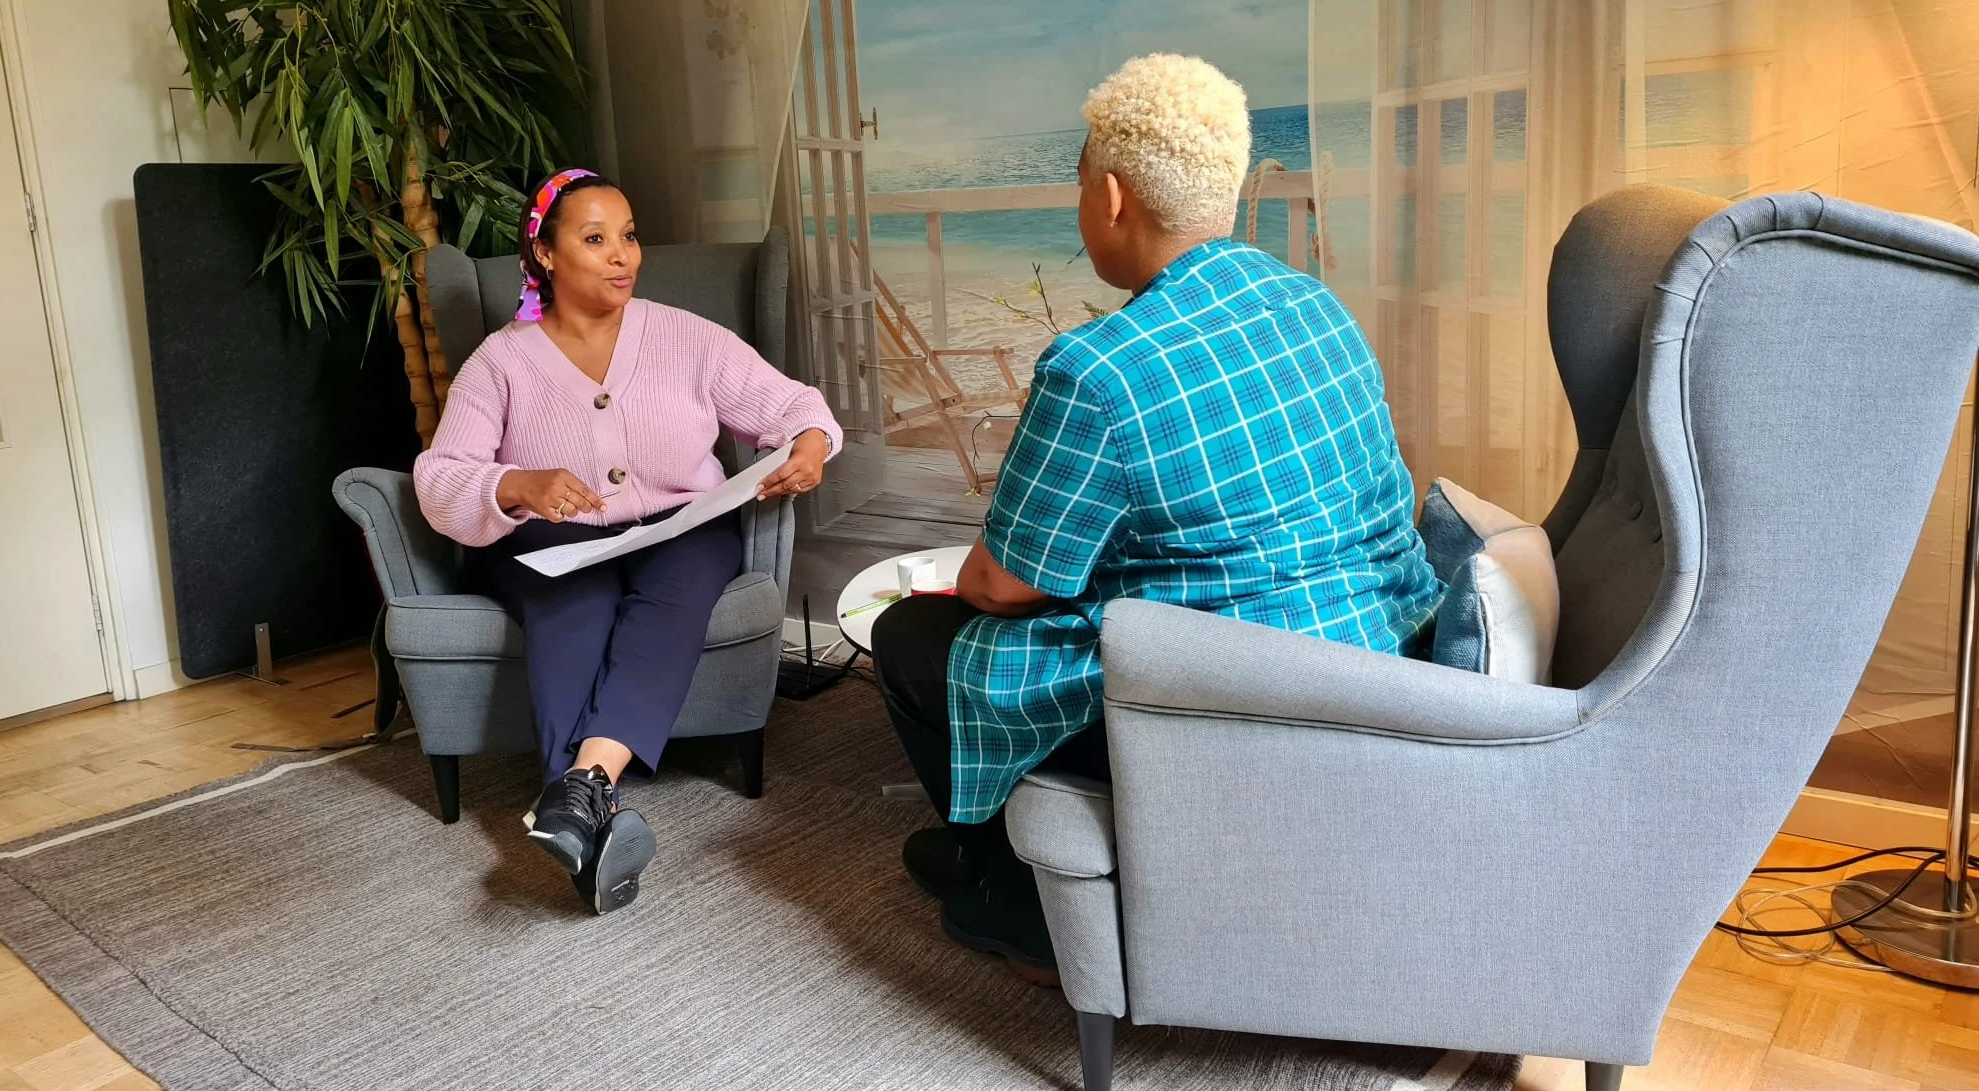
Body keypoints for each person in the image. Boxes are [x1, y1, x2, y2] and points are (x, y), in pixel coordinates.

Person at [871, 55, 1442, 981]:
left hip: (1221, 705)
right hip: (1374, 660)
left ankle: (1020, 898)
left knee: (912, 636)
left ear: (1110, 198)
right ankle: (1023, 860)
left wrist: (989, 576)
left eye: (1078, 188)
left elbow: (1002, 584)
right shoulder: (1315, 303)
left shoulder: (1098, 368)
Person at [414, 169, 840, 914]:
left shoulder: (685, 337)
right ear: (545, 254)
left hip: (682, 530)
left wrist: (809, 442)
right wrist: (516, 484)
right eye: (595, 238)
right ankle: (586, 804)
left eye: (629, 235)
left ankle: (576, 795)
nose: (622, 255)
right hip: (551, 542)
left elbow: (793, 404)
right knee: (572, 609)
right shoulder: (500, 362)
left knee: (672, 602)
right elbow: (440, 477)